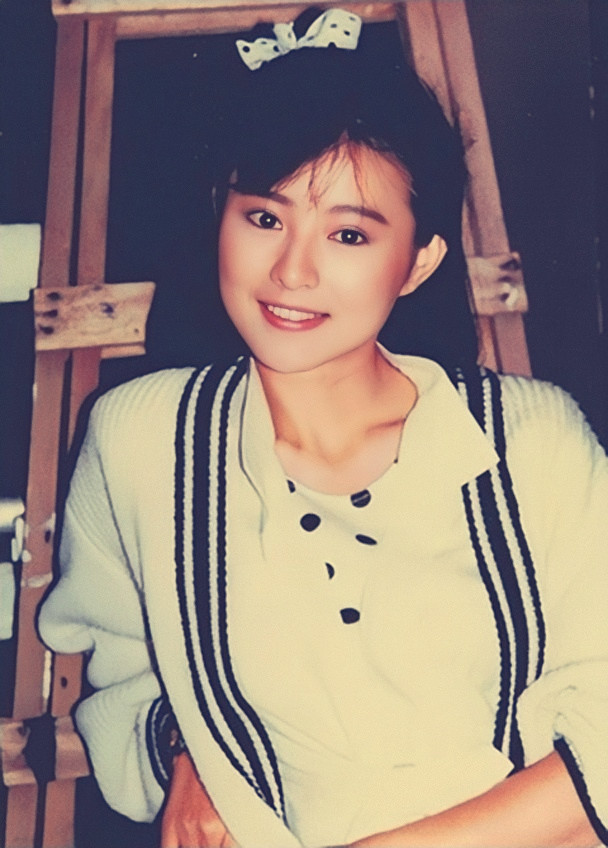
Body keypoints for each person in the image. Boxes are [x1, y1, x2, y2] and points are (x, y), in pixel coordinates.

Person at [38, 9, 608, 848]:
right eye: (265, 218)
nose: (293, 271)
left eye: (348, 233)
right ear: (220, 216)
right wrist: (184, 749)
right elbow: (123, 665)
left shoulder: (532, 441)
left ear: (418, 261)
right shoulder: (142, 441)